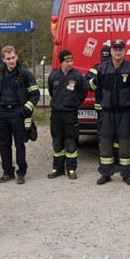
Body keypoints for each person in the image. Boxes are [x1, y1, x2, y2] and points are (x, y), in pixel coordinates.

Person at [90, 39, 130, 186]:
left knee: (125, 143)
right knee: (105, 143)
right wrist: (103, 104)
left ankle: (127, 174)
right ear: (111, 51)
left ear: (124, 51)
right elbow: (98, 90)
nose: (118, 52)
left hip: (124, 113)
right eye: (115, 49)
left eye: (120, 49)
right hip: (107, 113)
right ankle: (105, 173)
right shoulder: (102, 68)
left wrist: (128, 102)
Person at [0, 46, 39, 185]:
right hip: (2, 113)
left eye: (13, 58)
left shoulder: (25, 74)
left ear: (16, 57)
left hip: (18, 113)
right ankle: (7, 172)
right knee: (3, 144)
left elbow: (35, 95)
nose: (11, 61)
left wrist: (25, 110)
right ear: (4, 59)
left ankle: (21, 173)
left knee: (19, 144)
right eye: (8, 59)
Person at [47, 50, 88, 180]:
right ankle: (57, 168)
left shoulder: (77, 76)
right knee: (57, 142)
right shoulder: (53, 76)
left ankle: (71, 169)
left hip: (70, 114)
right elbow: (51, 91)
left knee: (71, 143)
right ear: (61, 62)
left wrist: (74, 103)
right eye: (67, 61)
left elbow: (83, 92)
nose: (70, 63)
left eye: (71, 61)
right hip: (56, 115)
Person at [86, 45, 120, 170]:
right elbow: (88, 86)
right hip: (102, 110)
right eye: (103, 56)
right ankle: (105, 164)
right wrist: (96, 80)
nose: (105, 59)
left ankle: (116, 162)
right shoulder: (96, 69)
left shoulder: (118, 68)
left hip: (116, 109)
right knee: (104, 138)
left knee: (117, 138)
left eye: (107, 56)